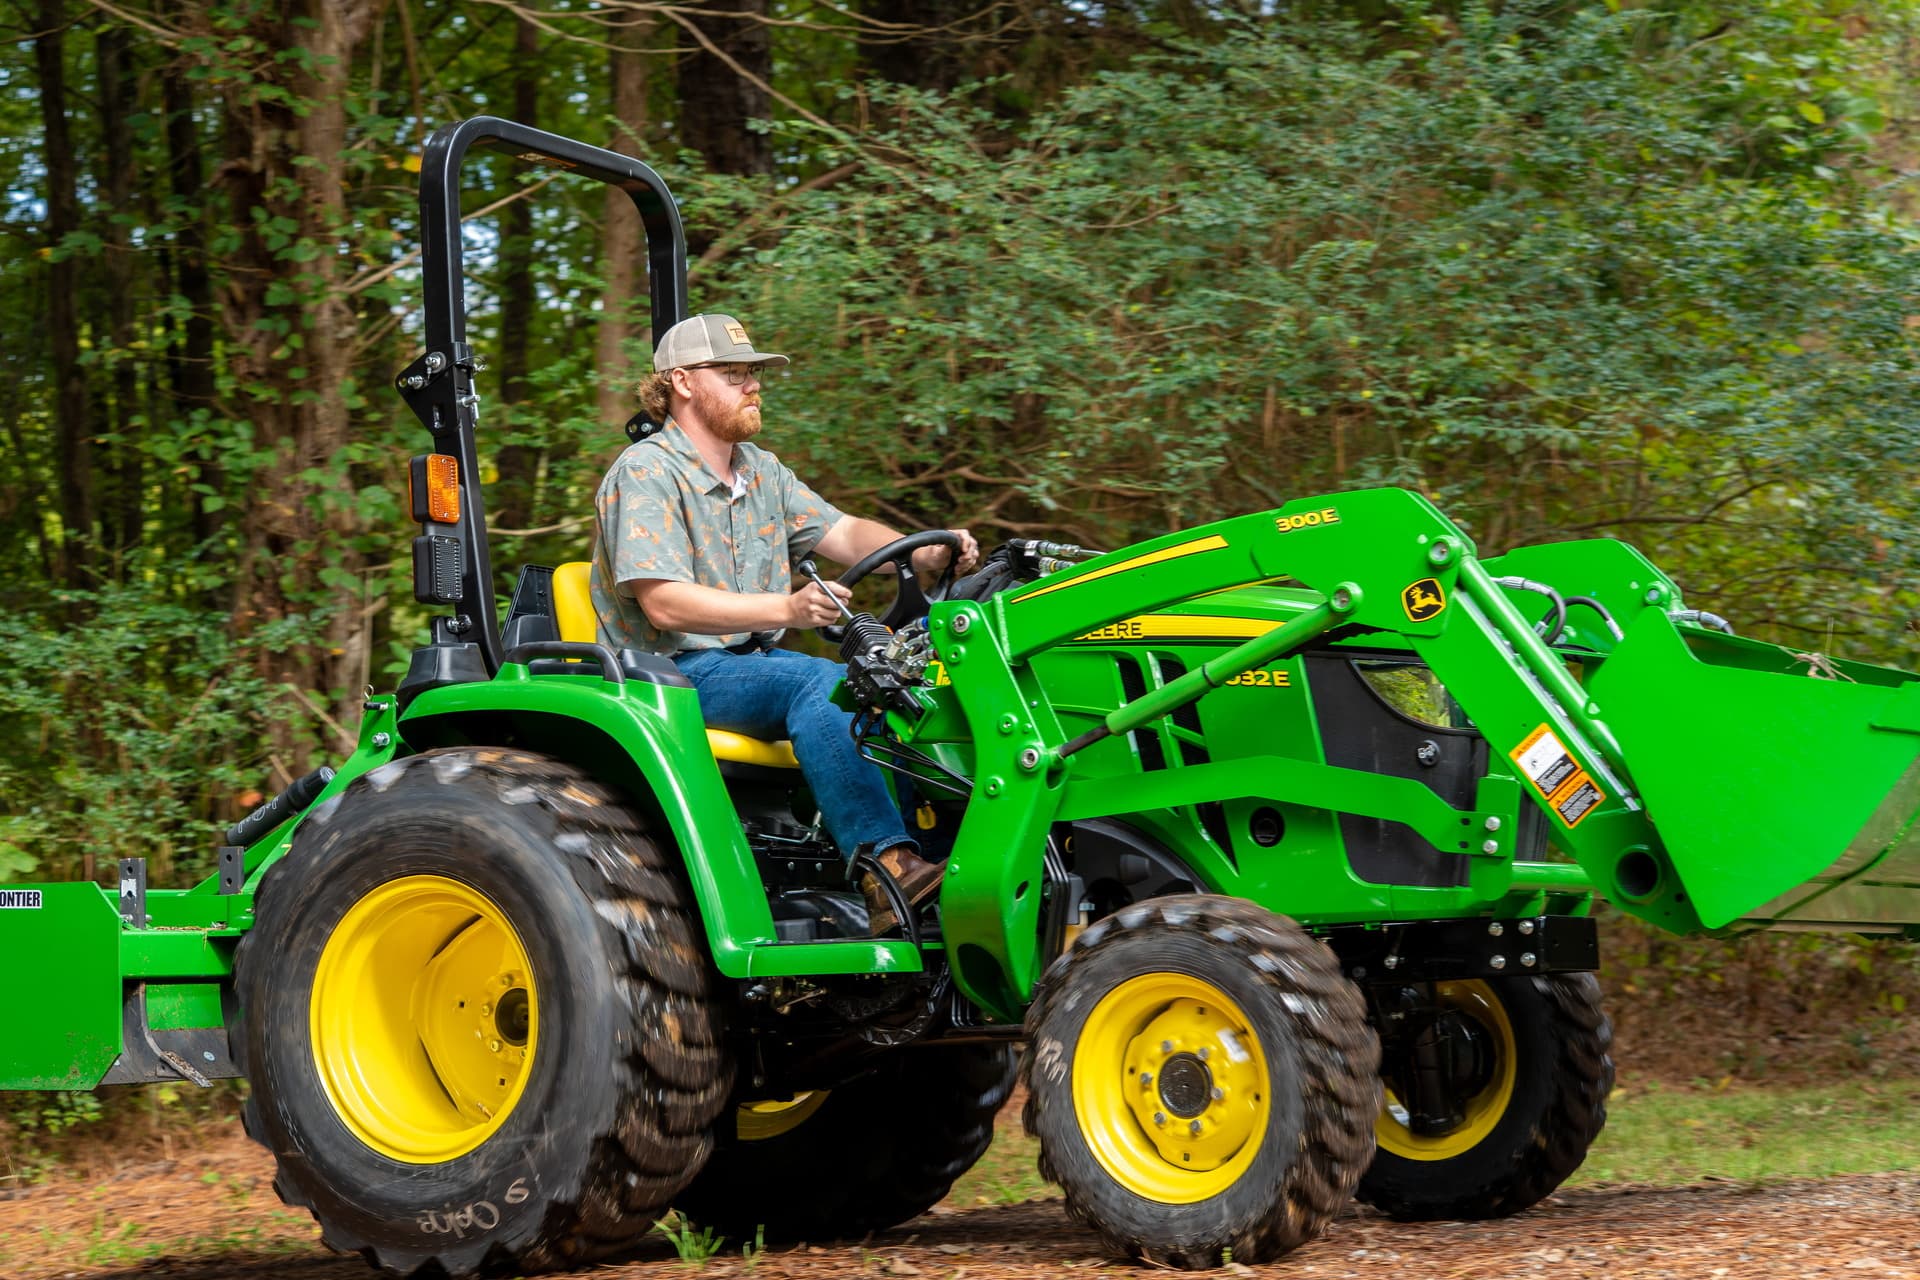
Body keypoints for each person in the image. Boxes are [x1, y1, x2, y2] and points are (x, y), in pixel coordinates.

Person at [589, 313, 979, 936]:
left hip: (749, 667)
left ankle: (944, 865)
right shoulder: (646, 472)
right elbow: (662, 602)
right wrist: (787, 610)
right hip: (670, 672)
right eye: (735, 374)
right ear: (683, 382)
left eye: (755, 375)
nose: (753, 386)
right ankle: (887, 868)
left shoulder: (761, 472)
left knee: (906, 689)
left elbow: (846, 533)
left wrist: (922, 551)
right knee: (822, 684)